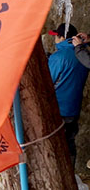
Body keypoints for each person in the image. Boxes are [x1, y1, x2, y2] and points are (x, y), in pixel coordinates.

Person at [48, 22, 88, 166]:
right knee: (70, 143)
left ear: (61, 37)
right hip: (74, 108)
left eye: (55, 36)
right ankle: (70, 174)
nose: (54, 39)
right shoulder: (83, 53)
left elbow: (48, 82)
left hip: (58, 109)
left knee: (56, 146)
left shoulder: (58, 57)